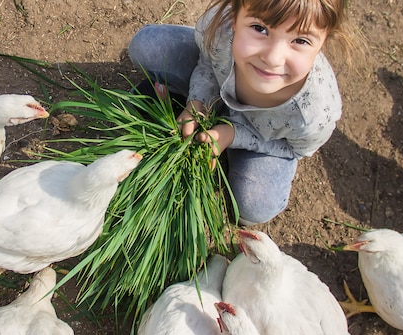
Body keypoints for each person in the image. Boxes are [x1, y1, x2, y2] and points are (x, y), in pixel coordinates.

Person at [127, 0, 363, 225]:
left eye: (300, 40)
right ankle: (187, 102)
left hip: (263, 136)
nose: (272, 58)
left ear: (324, 41)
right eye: (260, 28)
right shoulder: (218, 30)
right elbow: (208, 62)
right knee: (147, 46)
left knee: (253, 208)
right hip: (222, 79)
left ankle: (173, 98)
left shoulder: (312, 115)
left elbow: (293, 148)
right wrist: (197, 102)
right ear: (234, 15)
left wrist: (232, 135)